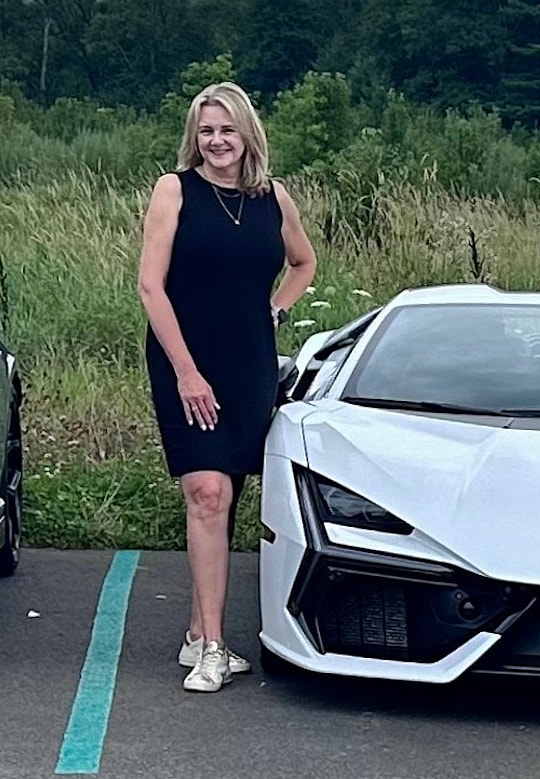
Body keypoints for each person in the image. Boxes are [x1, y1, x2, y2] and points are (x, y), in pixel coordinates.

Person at [138, 82, 317, 692]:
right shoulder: (174, 190)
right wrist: (187, 372)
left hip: (249, 363)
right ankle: (215, 647)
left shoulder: (273, 198)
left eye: (227, 130)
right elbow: (150, 288)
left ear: (248, 135)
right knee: (208, 493)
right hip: (183, 358)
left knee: (225, 498)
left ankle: (196, 633)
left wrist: (276, 310)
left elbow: (304, 262)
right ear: (196, 136)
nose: (216, 141)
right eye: (206, 130)